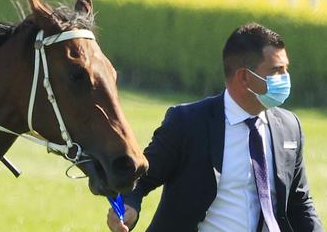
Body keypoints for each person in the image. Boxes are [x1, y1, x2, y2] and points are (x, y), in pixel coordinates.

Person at [106, 23, 323, 232]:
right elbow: (142, 178)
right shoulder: (188, 122)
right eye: (276, 70)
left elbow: (299, 202)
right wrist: (129, 207)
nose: (284, 78)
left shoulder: (289, 127)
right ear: (244, 77)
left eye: (286, 69)